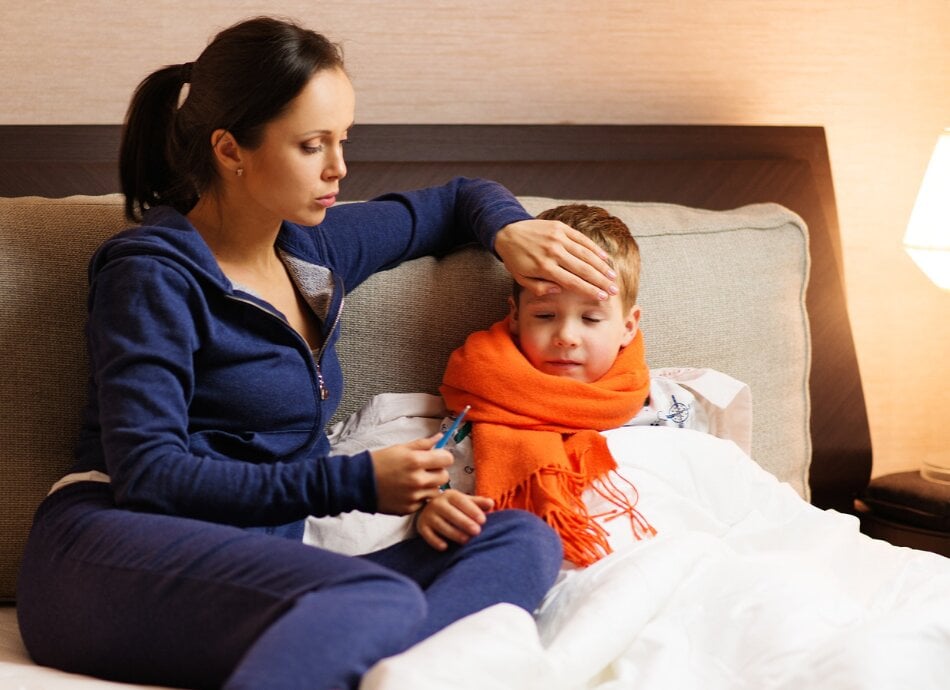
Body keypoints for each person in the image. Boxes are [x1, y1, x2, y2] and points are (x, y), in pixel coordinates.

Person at [14, 18, 622, 690]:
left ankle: (348, 659)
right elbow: (149, 474)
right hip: (109, 557)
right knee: (376, 600)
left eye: (342, 141)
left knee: (520, 542)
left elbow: (456, 199)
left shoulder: (315, 247)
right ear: (230, 149)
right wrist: (357, 483)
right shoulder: (153, 275)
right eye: (312, 145)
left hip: (255, 573)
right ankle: (359, 644)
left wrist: (509, 227)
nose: (339, 168)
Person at [435, 204, 656, 567]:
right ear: (517, 316)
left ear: (628, 327)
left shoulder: (667, 403)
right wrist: (433, 508)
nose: (567, 336)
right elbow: (433, 488)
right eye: (545, 315)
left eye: (590, 317)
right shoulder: (476, 403)